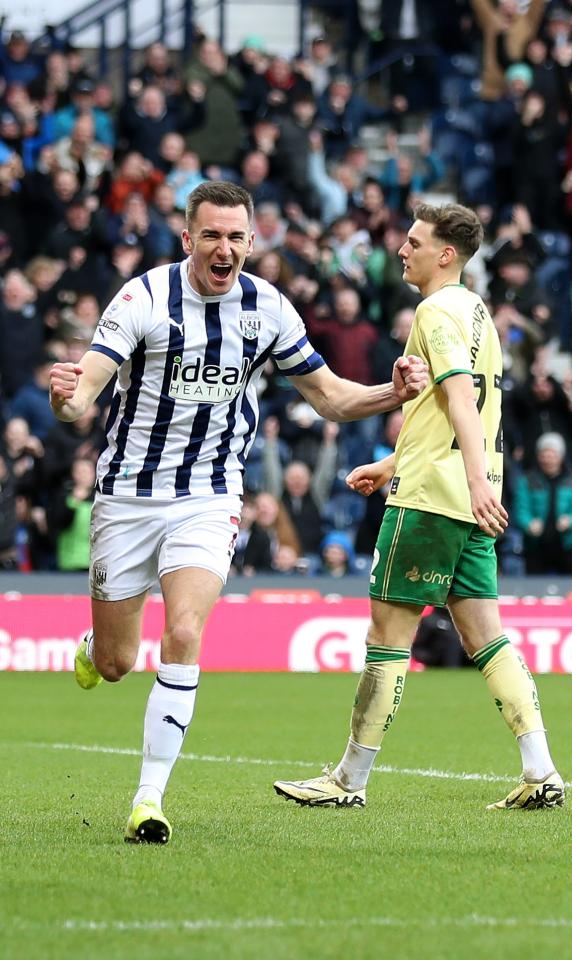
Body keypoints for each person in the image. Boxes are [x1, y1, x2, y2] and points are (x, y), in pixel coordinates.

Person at [50, 180, 429, 844]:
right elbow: (85, 389)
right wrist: (65, 401)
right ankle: (95, 645)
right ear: (187, 236)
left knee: (186, 632)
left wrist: (388, 393)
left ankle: (148, 798)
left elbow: (331, 399)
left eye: (236, 237)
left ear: (252, 241)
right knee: (116, 663)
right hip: (127, 498)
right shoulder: (144, 298)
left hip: (209, 495)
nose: (224, 249)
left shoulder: (270, 309)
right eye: (212, 235)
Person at [273, 203, 563, 811]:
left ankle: (348, 780)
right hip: (466, 500)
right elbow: (451, 411)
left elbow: (459, 396)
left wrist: (473, 479)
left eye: (413, 242)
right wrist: (392, 464)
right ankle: (542, 770)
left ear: (445, 254)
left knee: (387, 636)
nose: (402, 251)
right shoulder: (479, 312)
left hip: (433, 501)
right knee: (489, 640)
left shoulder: (433, 310)